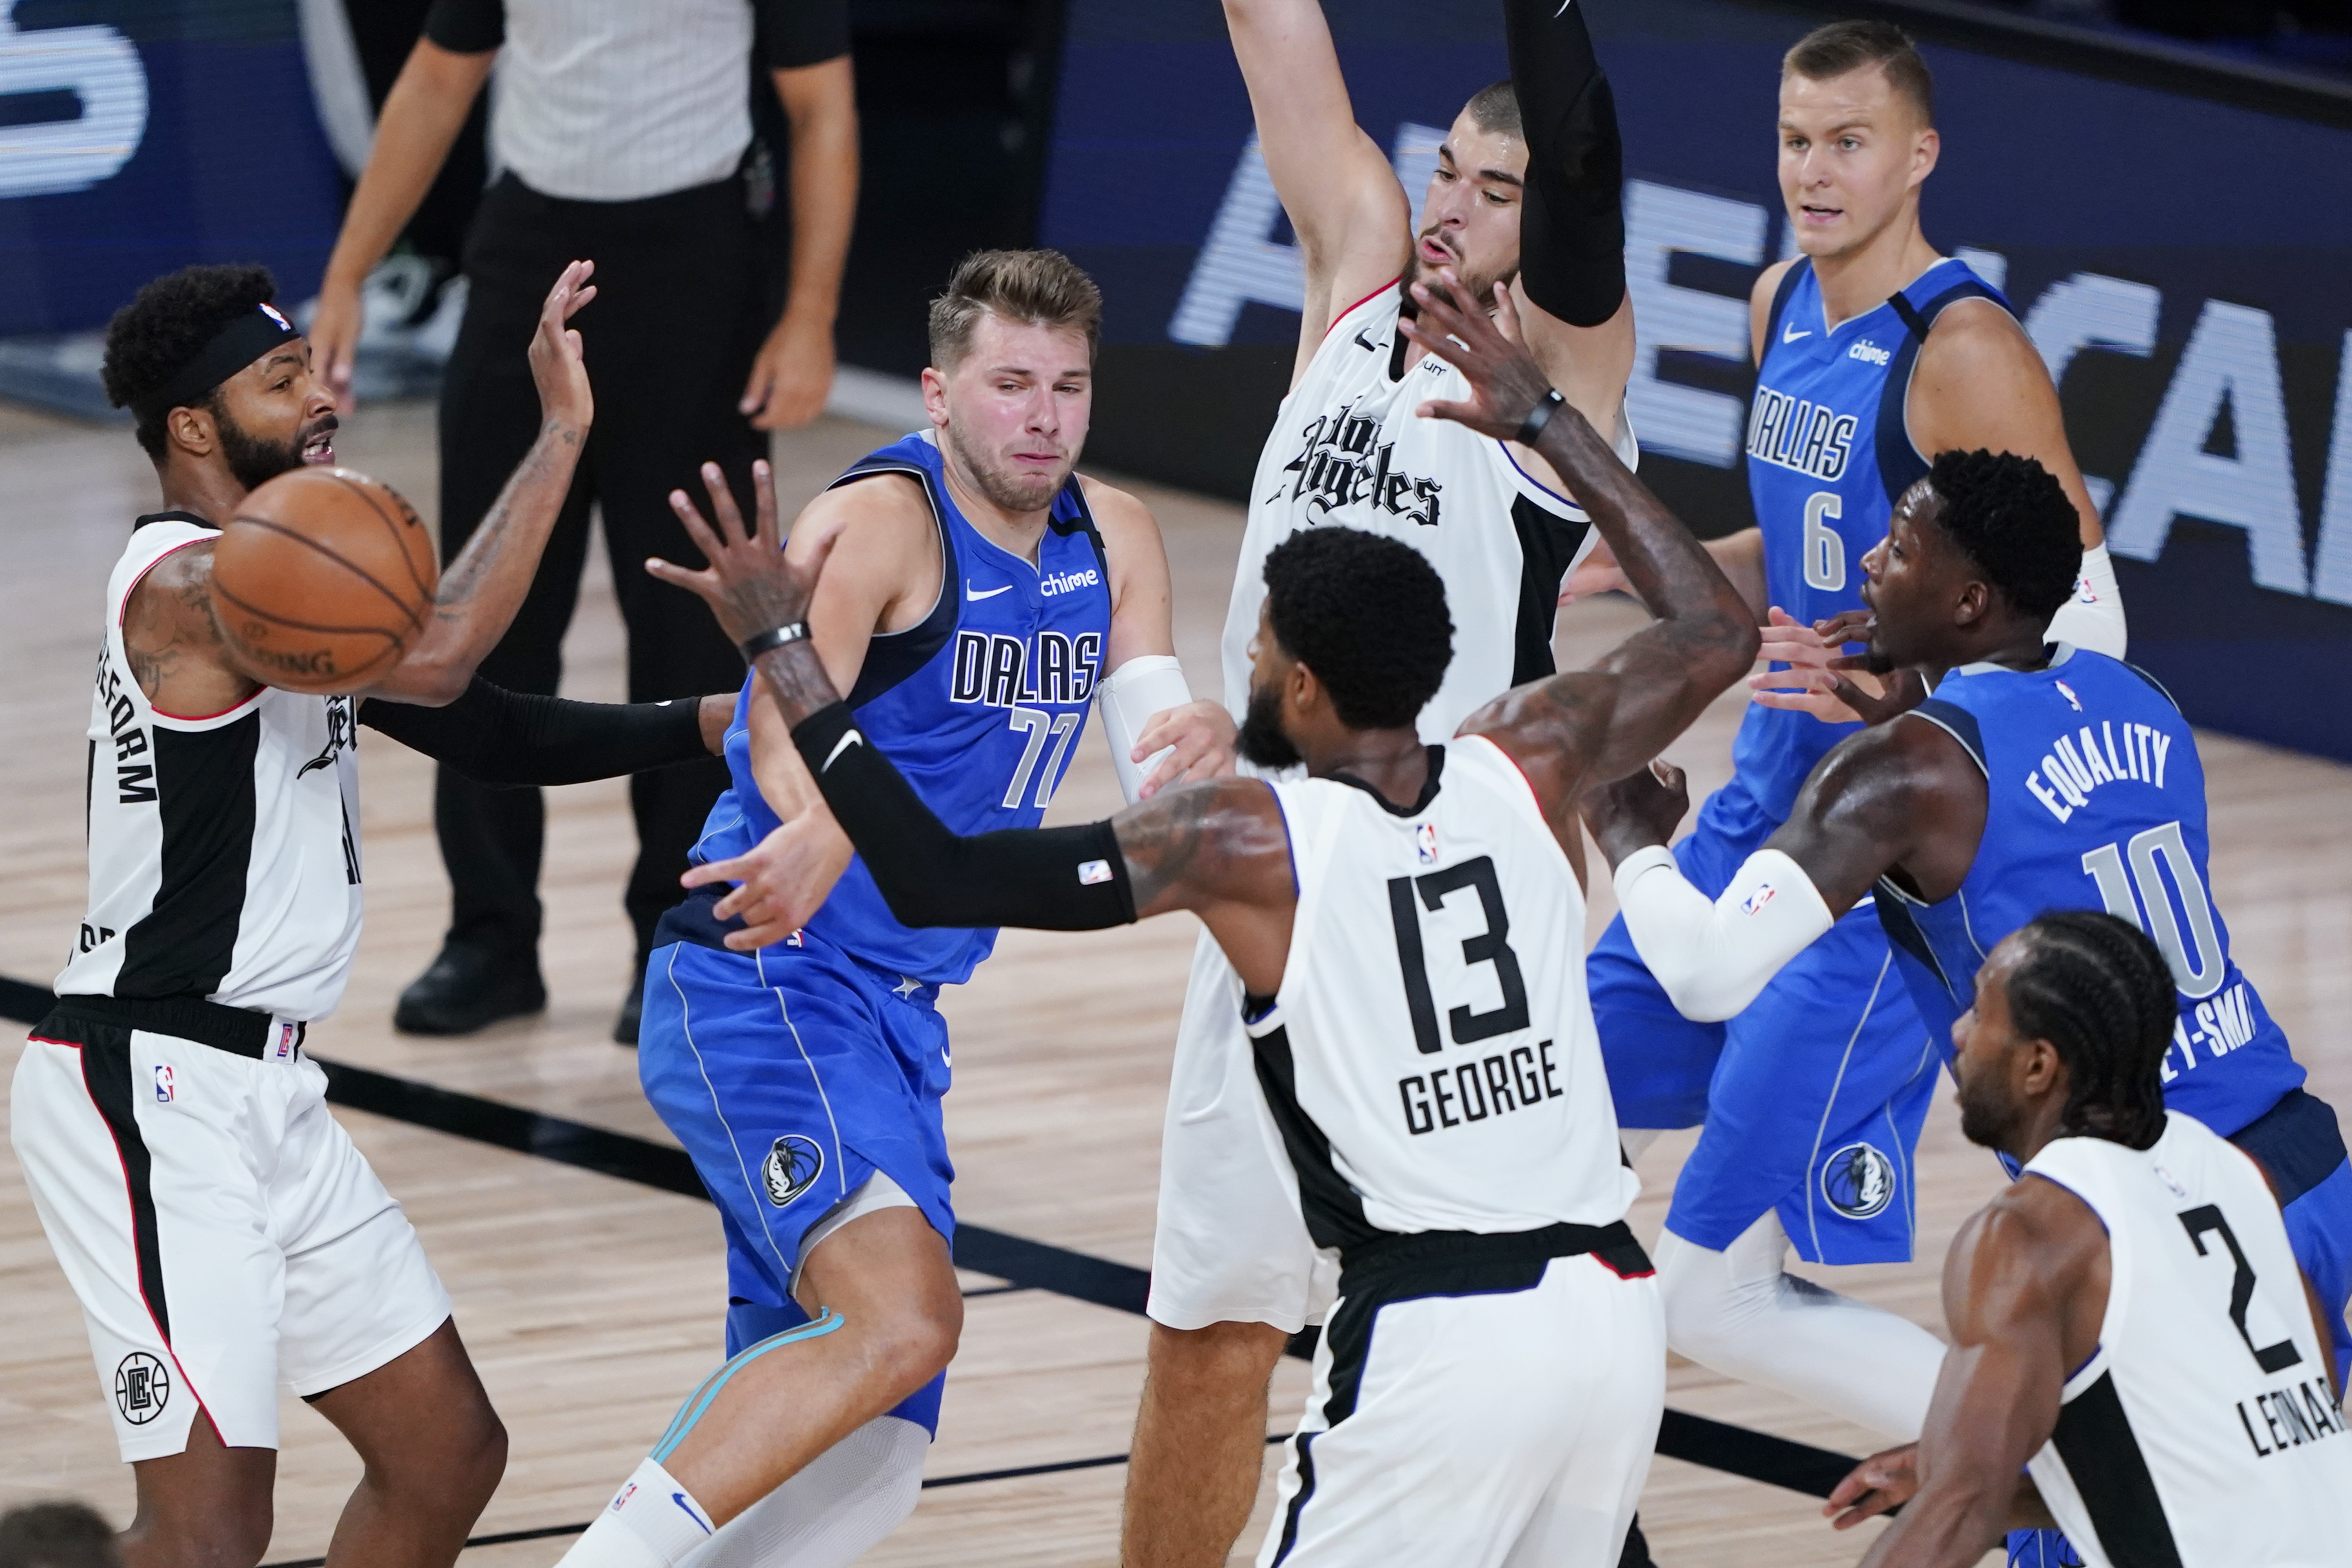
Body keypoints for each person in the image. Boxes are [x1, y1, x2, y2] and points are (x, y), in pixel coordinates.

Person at [644, 265, 1758, 1568]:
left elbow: (942, 875)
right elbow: (1714, 625)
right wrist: (1545, 422)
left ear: (1296, 674)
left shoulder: (1248, 845)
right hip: (1613, 1316)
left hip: (1439, 1335)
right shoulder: (1530, 756)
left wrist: (796, 670)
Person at [9, 261, 735, 1568]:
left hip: (267, 1089)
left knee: (445, 1454)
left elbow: (490, 727)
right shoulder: (195, 588)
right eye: (280, 380)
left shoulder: (291, 587)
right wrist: (564, 433)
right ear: (192, 425)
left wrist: (706, 724)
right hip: (150, 1086)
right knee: (207, 1532)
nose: (323, 394)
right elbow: (451, 649)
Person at [541, 249, 1229, 1568]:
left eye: (1069, 387)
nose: (1044, 416)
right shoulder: (879, 522)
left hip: (900, 1020)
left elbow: (1152, 728)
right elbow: (783, 712)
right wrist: (810, 829)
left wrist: (1195, 742)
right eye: (1011, 383)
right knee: (905, 1321)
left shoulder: (1116, 533)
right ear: (937, 393)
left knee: (871, 1459)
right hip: (769, 977)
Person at [1581, 447, 2352, 1567]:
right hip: (2304, 1169)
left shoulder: (1912, 771)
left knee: (2058, 1523)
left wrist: (1631, 843)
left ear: (1970, 600)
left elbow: (1705, 973)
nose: (1868, 563)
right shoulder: (2145, 699)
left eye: (1899, 549)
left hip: (2154, 1219)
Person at [1133, 3, 1647, 1557]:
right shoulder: (1356, 273)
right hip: (1283, 873)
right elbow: (1268, 29)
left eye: (1498, 189)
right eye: (1449, 172)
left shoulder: (1561, 370)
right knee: (1213, 1337)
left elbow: (1582, 154)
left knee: (1499, 1303)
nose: (1450, 202)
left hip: (1452, 901)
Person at [1576, 18, 2131, 1455]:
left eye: (1849, 143)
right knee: (1558, 1101)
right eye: (1794, 141)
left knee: (1716, 1292)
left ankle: (2061, 1477)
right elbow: (1829, 538)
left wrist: (1903, 689)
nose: (1813, 174)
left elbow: (2086, 624)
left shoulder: (1964, 348)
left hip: (1874, 866)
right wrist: (1689, 559)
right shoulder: (1780, 301)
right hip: (1761, 794)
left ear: (1919, 155)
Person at [309, 0, 862, 1042]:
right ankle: (488, 934)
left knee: (690, 624)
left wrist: (812, 311)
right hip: (527, 242)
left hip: (698, 256)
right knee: (478, 614)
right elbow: (440, 74)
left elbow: (821, 104)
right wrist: (346, 274)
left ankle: (678, 925)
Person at [1815, 913, 2352, 1567]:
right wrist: (2015, 1490)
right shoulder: (2238, 1177)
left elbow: (1958, 1511)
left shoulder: (2030, 1232)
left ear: (2038, 1065)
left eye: (1980, 1013)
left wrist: (1966, 1485)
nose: (1956, 1035)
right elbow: (2237, 1458)